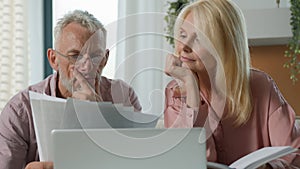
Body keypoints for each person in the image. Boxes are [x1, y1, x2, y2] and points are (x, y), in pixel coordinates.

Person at [164, 0, 300, 168]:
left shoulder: (261, 85)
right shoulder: (176, 92)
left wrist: (268, 167)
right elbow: (189, 161)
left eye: (198, 38)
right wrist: (191, 90)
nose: (184, 47)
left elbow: (294, 155)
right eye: (183, 35)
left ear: (224, 45)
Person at [0, 10, 142, 169]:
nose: (86, 67)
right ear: (53, 59)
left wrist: (98, 115)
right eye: (75, 55)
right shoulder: (20, 112)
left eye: (95, 56)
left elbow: (137, 161)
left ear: (105, 60)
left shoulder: (124, 97)